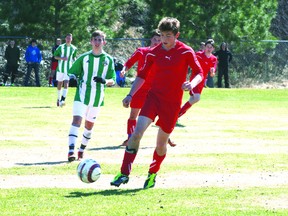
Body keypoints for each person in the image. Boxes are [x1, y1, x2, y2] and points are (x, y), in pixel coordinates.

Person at [110, 17, 203, 189]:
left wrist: (192, 84)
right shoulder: (154, 52)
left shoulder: (186, 51)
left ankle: (152, 174)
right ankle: (123, 173)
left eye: (168, 35)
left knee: (161, 144)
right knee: (137, 133)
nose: (164, 39)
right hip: (153, 98)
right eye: (162, 35)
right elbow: (142, 76)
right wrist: (130, 95)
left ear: (176, 35)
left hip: (172, 103)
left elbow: (199, 73)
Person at [67, 30, 116, 162]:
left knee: (89, 126)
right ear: (91, 41)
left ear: (104, 42)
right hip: (82, 95)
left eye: (100, 40)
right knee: (77, 120)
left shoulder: (108, 60)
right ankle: (71, 151)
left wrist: (104, 81)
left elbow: (113, 79)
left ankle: (81, 150)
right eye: (95, 39)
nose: (97, 42)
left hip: (97, 98)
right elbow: (72, 72)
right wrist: (72, 79)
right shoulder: (84, 58)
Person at [168, 39, 218, 146]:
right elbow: (190, 62)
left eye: (211, 47)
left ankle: (175, 115)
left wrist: (213, 72)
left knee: (193, 99)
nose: (208, 49)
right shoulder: (198, 55)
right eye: (207, 46)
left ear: (213, 49)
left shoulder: (214, 58)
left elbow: (212, 72)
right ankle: (175, 115)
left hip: (201, 81)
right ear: (204, 47)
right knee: (196, 98)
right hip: (194, 79)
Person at [119, 30, 162, 147]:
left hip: (155, 89)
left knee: (162, 115)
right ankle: (130, 138)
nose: (157, 42)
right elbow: (129, 62)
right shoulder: (142, 51)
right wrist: (124, 70)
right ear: (151, 40)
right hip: (140, 88)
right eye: (155, 39)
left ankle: (165, 138)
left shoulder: (163, 54)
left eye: (159, 40)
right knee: (133, 115)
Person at [54, 33, 77, 107]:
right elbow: (55, 56)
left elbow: (74, 57)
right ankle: (58, 98)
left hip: (68, 70)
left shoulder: (74, 48)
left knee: (66, 83)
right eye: (67, 38)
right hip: (60, 69)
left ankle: (63, 99)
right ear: (65, 39)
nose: (68, 39)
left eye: (70, 38)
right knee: (60, 84)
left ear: (71, 39)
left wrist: (75, 63)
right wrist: (62, 58)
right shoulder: (61, 47)